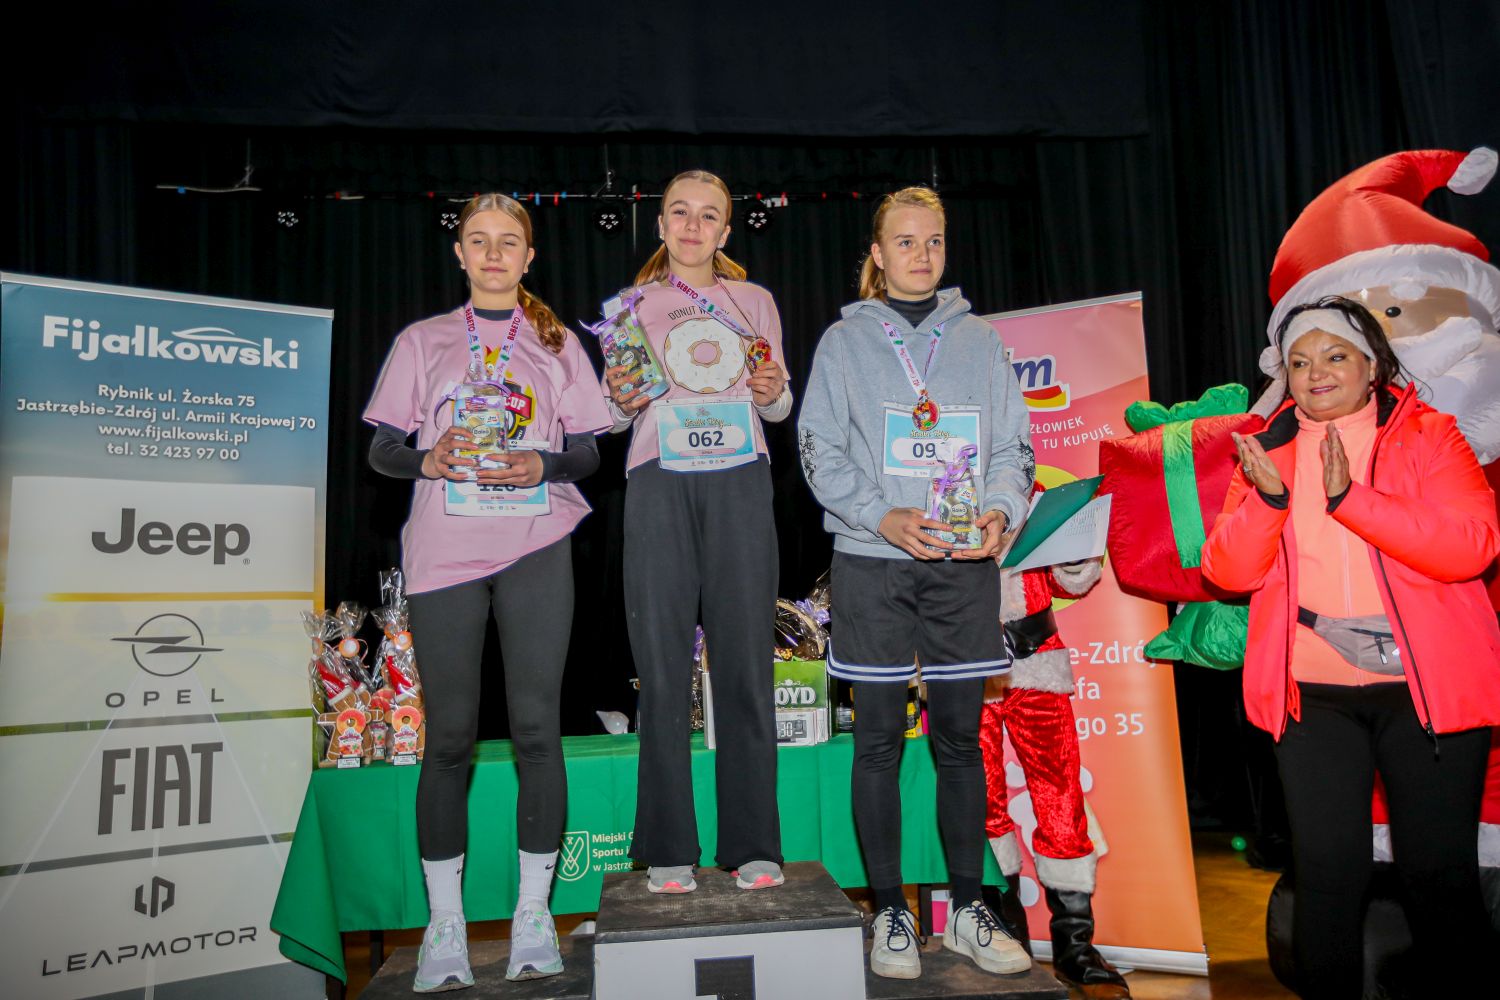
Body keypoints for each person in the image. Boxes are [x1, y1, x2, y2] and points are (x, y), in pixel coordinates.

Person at [1202, 295, 1500, 998]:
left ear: (1373, 366)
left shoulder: (1430, 435)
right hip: (1313, 696)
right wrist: (1269, 501)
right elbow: (1227, 571)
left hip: (1425, 693)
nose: (1317, 374)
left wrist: (1352, 499)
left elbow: (1473, 546)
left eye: (1335, 356)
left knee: (1439, 876)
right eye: (1300, 362)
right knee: (1328, 877)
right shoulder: (1266, 449)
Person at [363, 193, 613, 991]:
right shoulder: (422, 340)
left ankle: (534, 914)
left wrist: (544, 463)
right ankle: (445, 923)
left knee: (539, 730)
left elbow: (588, 453)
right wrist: (428, 459)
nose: (495, 253)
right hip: (446, 553)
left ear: (529, 257)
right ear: (461, 253)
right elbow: (382, 450)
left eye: (510, 242)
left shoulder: (558, 341)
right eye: (480, 240)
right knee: (450, 738)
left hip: (535, 543)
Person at [798, 185, 1034, 980]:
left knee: (960, 740)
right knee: (876, 744)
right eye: (905, 242)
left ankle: (967, 909)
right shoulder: (843, 343)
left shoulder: (982, 341)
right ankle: (890, 912)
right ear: (878, 253)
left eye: (933, 241)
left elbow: (1015, 446)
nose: (921, 255)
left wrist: (1000, 511)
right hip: (872, 562)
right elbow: (818, 448)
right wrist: (881, 516)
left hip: (962, 567)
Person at [602, 169, 791, 894]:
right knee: (661, 665)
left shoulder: (755, 301)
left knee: (746, 662)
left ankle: (754, 844)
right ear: (660, 225)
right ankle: (668, 847)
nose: (692, 226)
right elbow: (612, 416)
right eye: (679, 212)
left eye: (707, 215)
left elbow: (777, 403)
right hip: (659, 478)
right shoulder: (628, 307)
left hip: (739, 475)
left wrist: (774, 394)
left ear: (725, 230)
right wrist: (620, 403)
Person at [979, 550, 1131, 999]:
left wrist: (1076, 557)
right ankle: (1007, 944)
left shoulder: (1037, 507)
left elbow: (1072, 583)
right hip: (962, 658)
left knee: (1061, 799)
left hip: (1036, 657)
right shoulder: (934, 500)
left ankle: (1075, 950)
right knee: (981, 803)